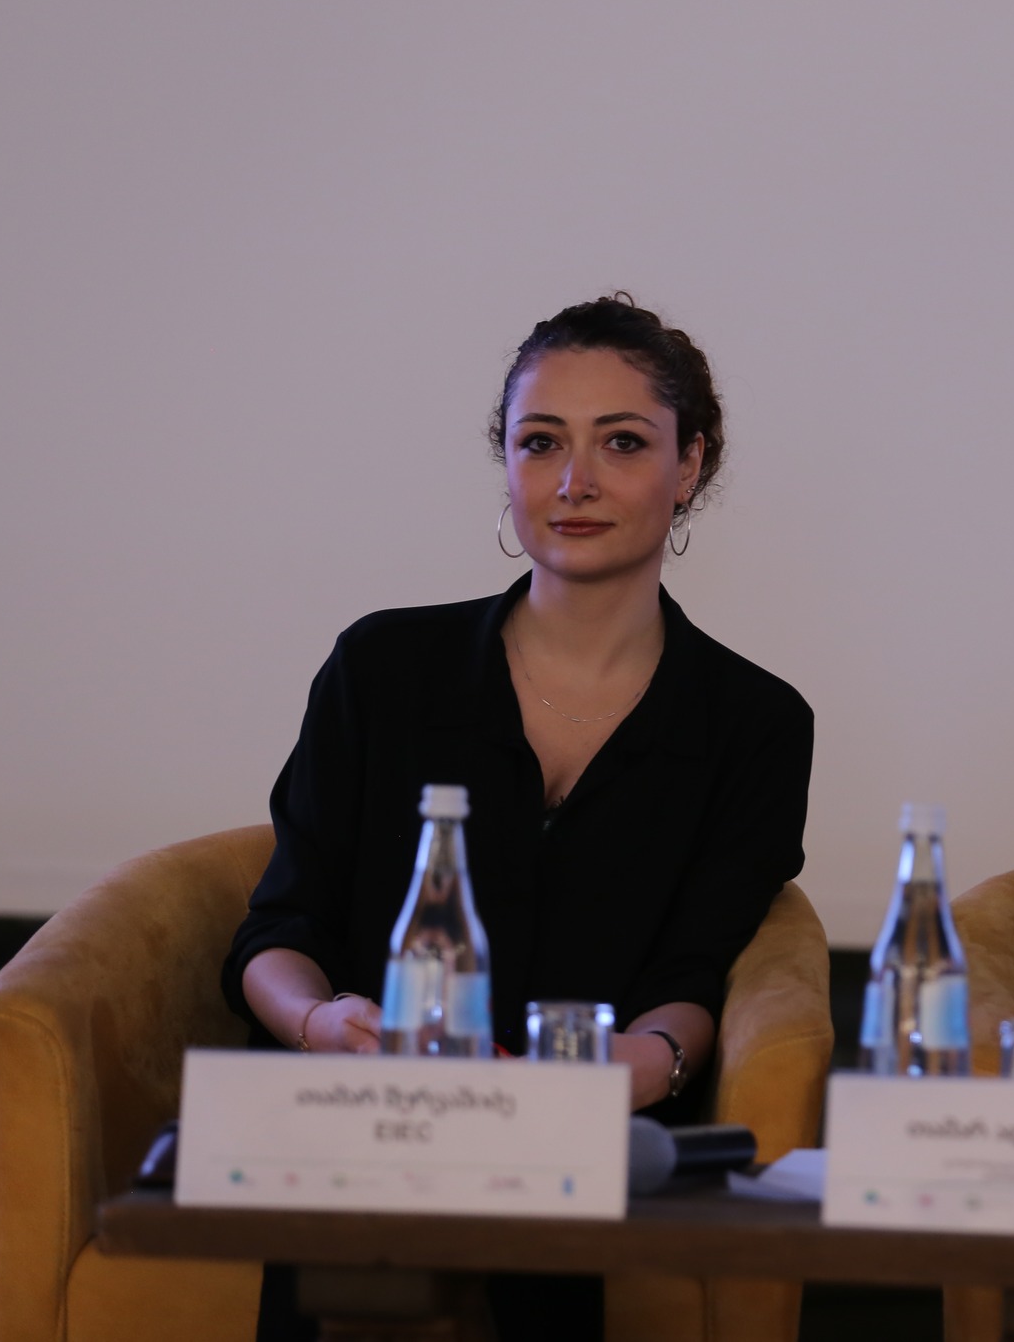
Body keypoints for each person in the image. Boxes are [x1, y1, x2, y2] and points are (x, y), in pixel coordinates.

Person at [221, 295, 814, 1340]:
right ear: (507, 464)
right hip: (370, 1130)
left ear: (687, 466)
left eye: (621, 443)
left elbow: (690, 978)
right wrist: (322, 1026)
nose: (574, 482)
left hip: (586, 1146)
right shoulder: (383, 669)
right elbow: (281, 926)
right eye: (541, 442)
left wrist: (638, 1067)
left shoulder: (755, 723)